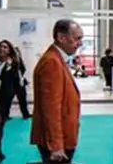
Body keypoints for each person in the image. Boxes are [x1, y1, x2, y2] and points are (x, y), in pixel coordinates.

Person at [31, 19, 84, 163]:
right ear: (61, 37)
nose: (80, 43)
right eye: (77, 38)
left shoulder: (57, 59)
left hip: (63, 136)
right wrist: (56, 145)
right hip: (57, 140)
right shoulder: (52, 62)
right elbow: (51, 108)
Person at [15, 46, 32, 118]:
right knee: (7, 100)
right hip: (13, 83)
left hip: (21, 82)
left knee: (23, 99)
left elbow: (23, 69)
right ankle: (5, 115)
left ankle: (25, 114)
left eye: (18, 52)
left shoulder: (19, 60)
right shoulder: (10, 61)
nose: (17, 54)